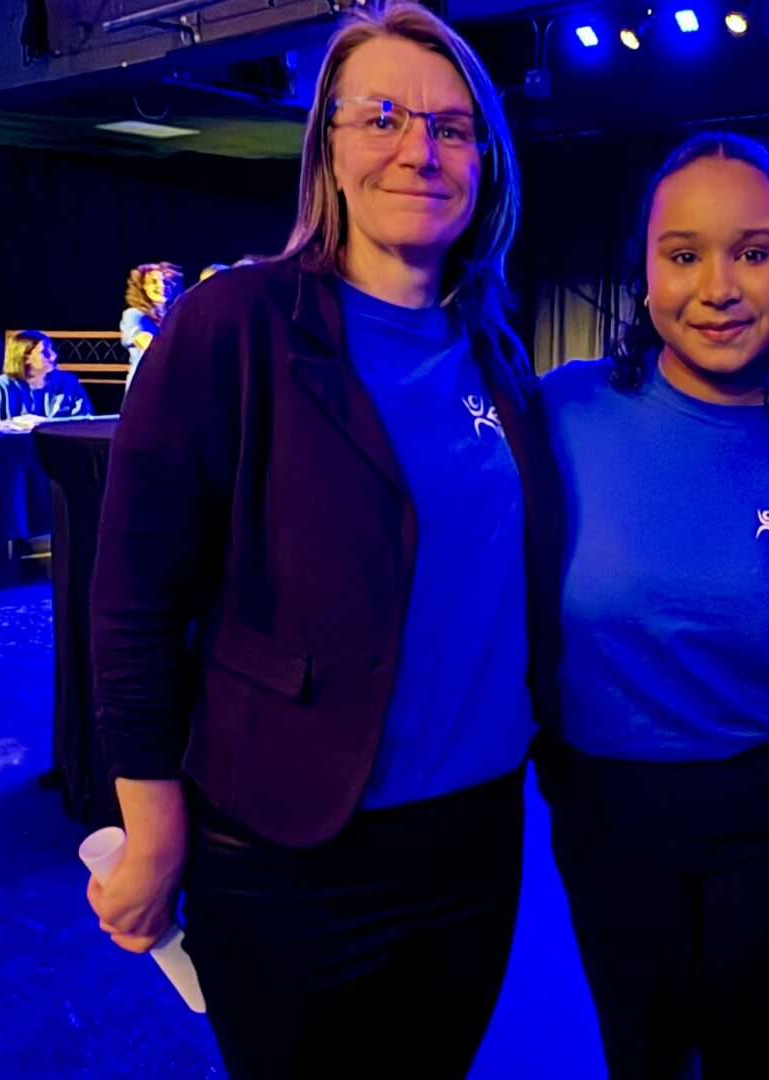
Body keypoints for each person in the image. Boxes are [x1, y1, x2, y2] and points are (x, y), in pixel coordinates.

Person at [86, 4, 556, 1077]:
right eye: (381, 115)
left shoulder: (496, 352)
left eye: (451, 126)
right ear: (330, 147)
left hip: (475, 845)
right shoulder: (230, 327)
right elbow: (133, 601)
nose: (418, 149)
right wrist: (153, 831)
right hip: (290, 851)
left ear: (485, 158)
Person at [538, 133, 769, 1078]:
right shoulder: (562, 414)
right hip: (605, 806)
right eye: (683, 255)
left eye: (753, 252)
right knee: (642, 1058)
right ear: (643, 275)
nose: (718, 287)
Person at [0, 331, 89, 420]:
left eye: (52, 350)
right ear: (25, 357)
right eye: (45, 352)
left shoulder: (68, 382)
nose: (53, 356)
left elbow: (83, 422)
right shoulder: (3, 385)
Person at [119, 262, 182, 387]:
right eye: (154, 282)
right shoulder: (134, 315)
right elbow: (148, 344)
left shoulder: (176, 314)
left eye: (167, 282)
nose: (162, 286)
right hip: (145, 383)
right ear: (143, 287)